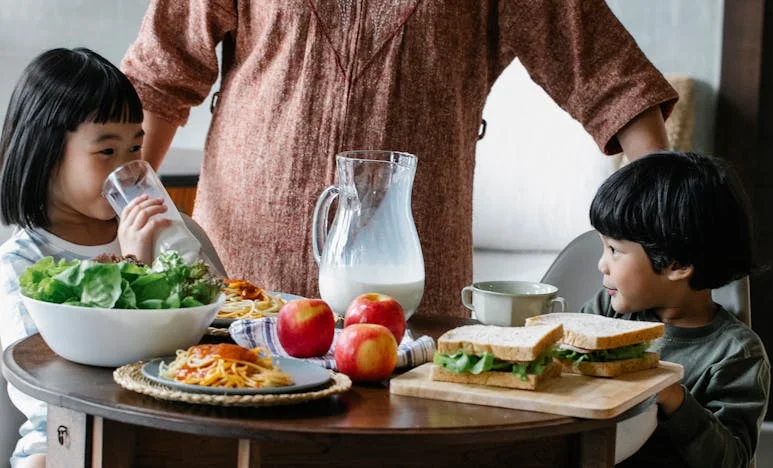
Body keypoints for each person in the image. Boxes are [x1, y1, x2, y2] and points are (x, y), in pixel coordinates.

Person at [121, 1, 678, 316]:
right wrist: (117, 220)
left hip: (411, 292)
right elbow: (157, 76)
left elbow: (611, 77)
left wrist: (668, 225)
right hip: (240, 282)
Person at [0, 47, 176, 468]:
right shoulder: (21, 262)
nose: (127, 169)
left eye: (135, 148)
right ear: (46, 154)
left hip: (162, 420)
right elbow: (49, 382)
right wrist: (132, 268)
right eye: (107, 152)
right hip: (63, 430)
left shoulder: (150, 235)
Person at [580, 151, 770, 467]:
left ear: (677, 264)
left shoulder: (735, 354)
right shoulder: (606, 312)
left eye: (615, 250)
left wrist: (673, 396)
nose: (602, 264)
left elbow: (733, 459)